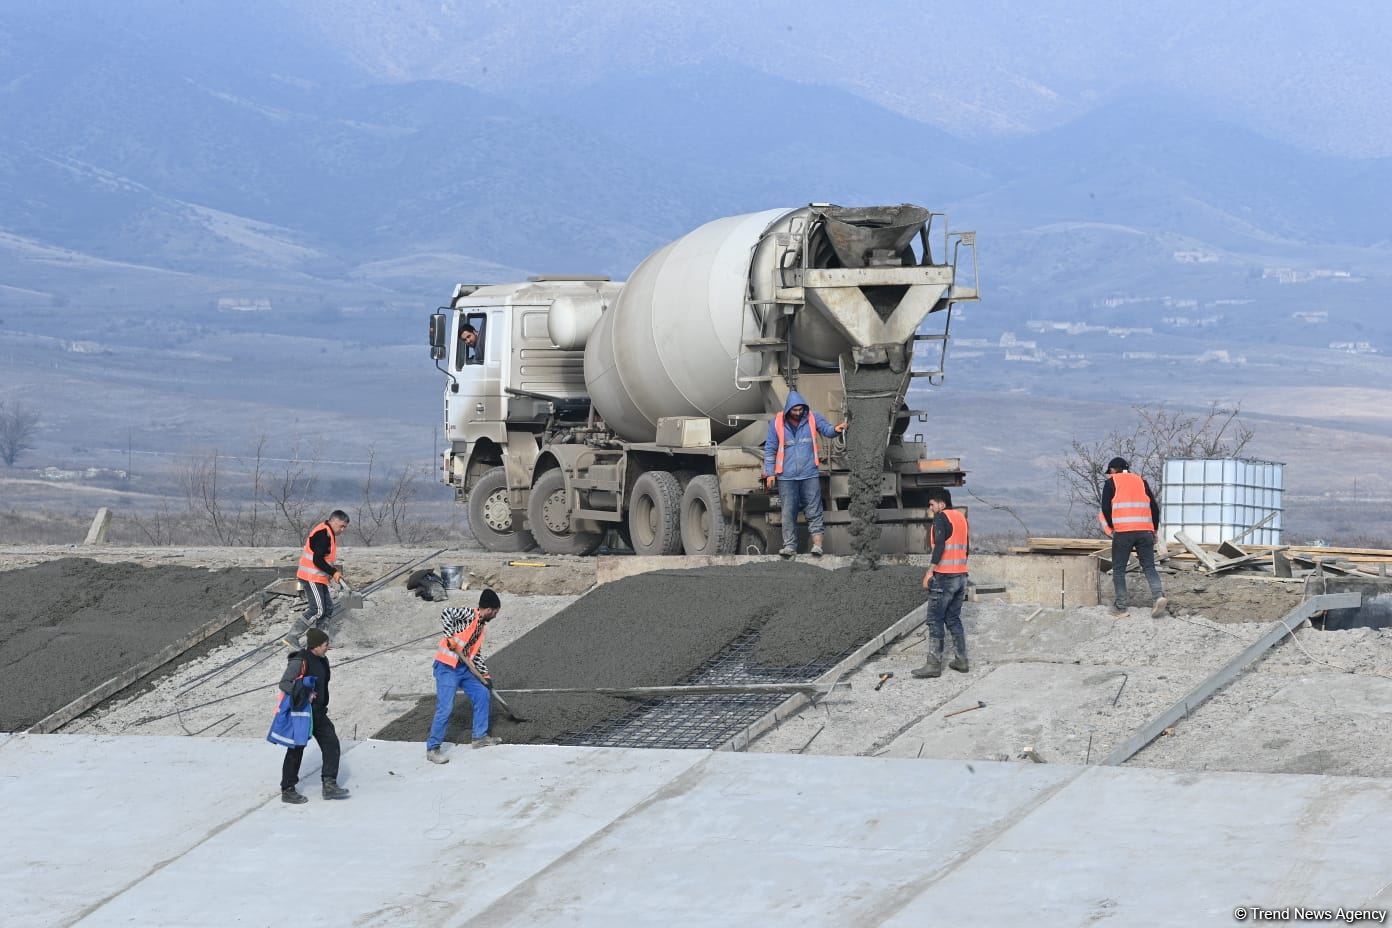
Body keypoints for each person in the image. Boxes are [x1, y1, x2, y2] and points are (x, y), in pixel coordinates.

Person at [762, 391, 846, 558]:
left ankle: (817, 546)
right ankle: (789, 547)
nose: (798, 413)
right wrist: (770, 473)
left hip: (809, 474)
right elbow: (770, 449)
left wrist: (836, 429)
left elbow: (827, 430)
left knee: (814, 510)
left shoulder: (813, 417)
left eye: (800, 409)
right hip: (786, 476)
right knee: (788, 512)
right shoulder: (777, 422)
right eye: (795, 410)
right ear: (788, 409)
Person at [426, 589, 503, 763]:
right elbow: (446, 612)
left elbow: (475, 654)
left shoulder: (480, 627)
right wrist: (449, 637)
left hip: (463, 668)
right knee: (445, 707)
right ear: (489, 609)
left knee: (482, 693)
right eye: (495, 612)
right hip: (446, 667)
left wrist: (486, 676)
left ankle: (479, 738)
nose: (495, 616)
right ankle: (432, 749)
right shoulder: (469, 615)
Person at [278, 628, 350, 804]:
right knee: (296, 749)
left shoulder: (323, 660)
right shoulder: (300, 660)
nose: (328, 647)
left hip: (318, 712)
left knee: (331, 743)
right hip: (303, 712)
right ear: (316, 646)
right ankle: (287, 789)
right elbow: (284, 683)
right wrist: (304, 693)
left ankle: (329, 784)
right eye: (325, 644)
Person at [913, 488, 971, 678]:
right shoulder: (961, 518)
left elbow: (940, 545)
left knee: (935, 619)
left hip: (944, 577)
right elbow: (966, 549)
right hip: (961, 576)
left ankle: (933, 665)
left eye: (932, 504)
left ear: (941, 504)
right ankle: (961, 660)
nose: (930, 508)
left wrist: (929, 572)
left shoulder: (941, 517)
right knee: (953, 619)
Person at [1101, 457, 1168, 618]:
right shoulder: (1141, 481)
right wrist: (1154, 530)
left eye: (1110, 471)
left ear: (1113, 470)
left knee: (1119, 569)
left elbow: (1105, 508)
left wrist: (1113, 527)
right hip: (1145, 531)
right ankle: (1158, 597)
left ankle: (1121, 607)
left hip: (1123, 532)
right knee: (1149, 567)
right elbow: (1154, 508)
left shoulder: (1111, 482)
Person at [284, 510, 349, 648]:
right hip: (311, 576)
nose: (343, 530)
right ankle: (291, 637)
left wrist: (332, 573)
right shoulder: (323, 534)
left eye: (345, 527)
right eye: (342, 526)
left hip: (319, 577)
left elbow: (324, 559)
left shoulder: (328, 533)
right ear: (334, 521)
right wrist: (333, 572)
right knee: (318, 610)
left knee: (328, 608)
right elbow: (317, 560)